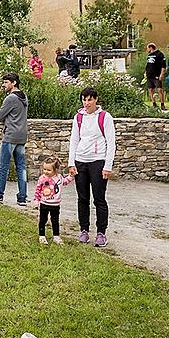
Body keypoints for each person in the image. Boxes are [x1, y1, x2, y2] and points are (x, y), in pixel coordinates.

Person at [68, 87, 116, 248]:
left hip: (98, 161)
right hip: (81, 160)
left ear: (96, 100)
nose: (87, 103)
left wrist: (107, 166)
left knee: (99, 198)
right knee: (82, 198)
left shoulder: (105, 117)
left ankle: (101, 232)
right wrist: (71, 163)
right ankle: (84, 230)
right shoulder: (78, 117)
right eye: (84, 99)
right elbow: (74, 140)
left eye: (90, 99)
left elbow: (111, 143)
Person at [0, 73, 29, 206]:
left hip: (10, 135)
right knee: (21, 167)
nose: (3, 85)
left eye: (6, 82)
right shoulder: (23, 96)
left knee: (3, 166)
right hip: (21, 136)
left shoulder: (11, 98)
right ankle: (22, 197)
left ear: (14, 83)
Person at [32, 156, 73, 245]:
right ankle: (42, 236)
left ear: (55, 170)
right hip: (44, 204)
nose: (46, 172)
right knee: (43, 220)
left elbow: (65, 182)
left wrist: (71, 176)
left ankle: (56, 236)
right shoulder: (42, 178)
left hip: (55, 205)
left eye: (48, 170)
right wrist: (36, 200)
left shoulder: (59, 178)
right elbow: (38, 190)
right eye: (44, 169)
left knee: (55, 221)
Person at [144, 42, 167, 110]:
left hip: (156, 75)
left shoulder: (159, 54)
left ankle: (162, 104)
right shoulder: (149, 56)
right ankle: (154, 104)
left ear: (151, 47)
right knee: (151, 89)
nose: (147, 50)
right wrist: (145, 72)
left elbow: (163, 65)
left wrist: (161, 74)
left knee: (159, 89)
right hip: (149, 76)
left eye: (147, 48)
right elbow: (148, 65)